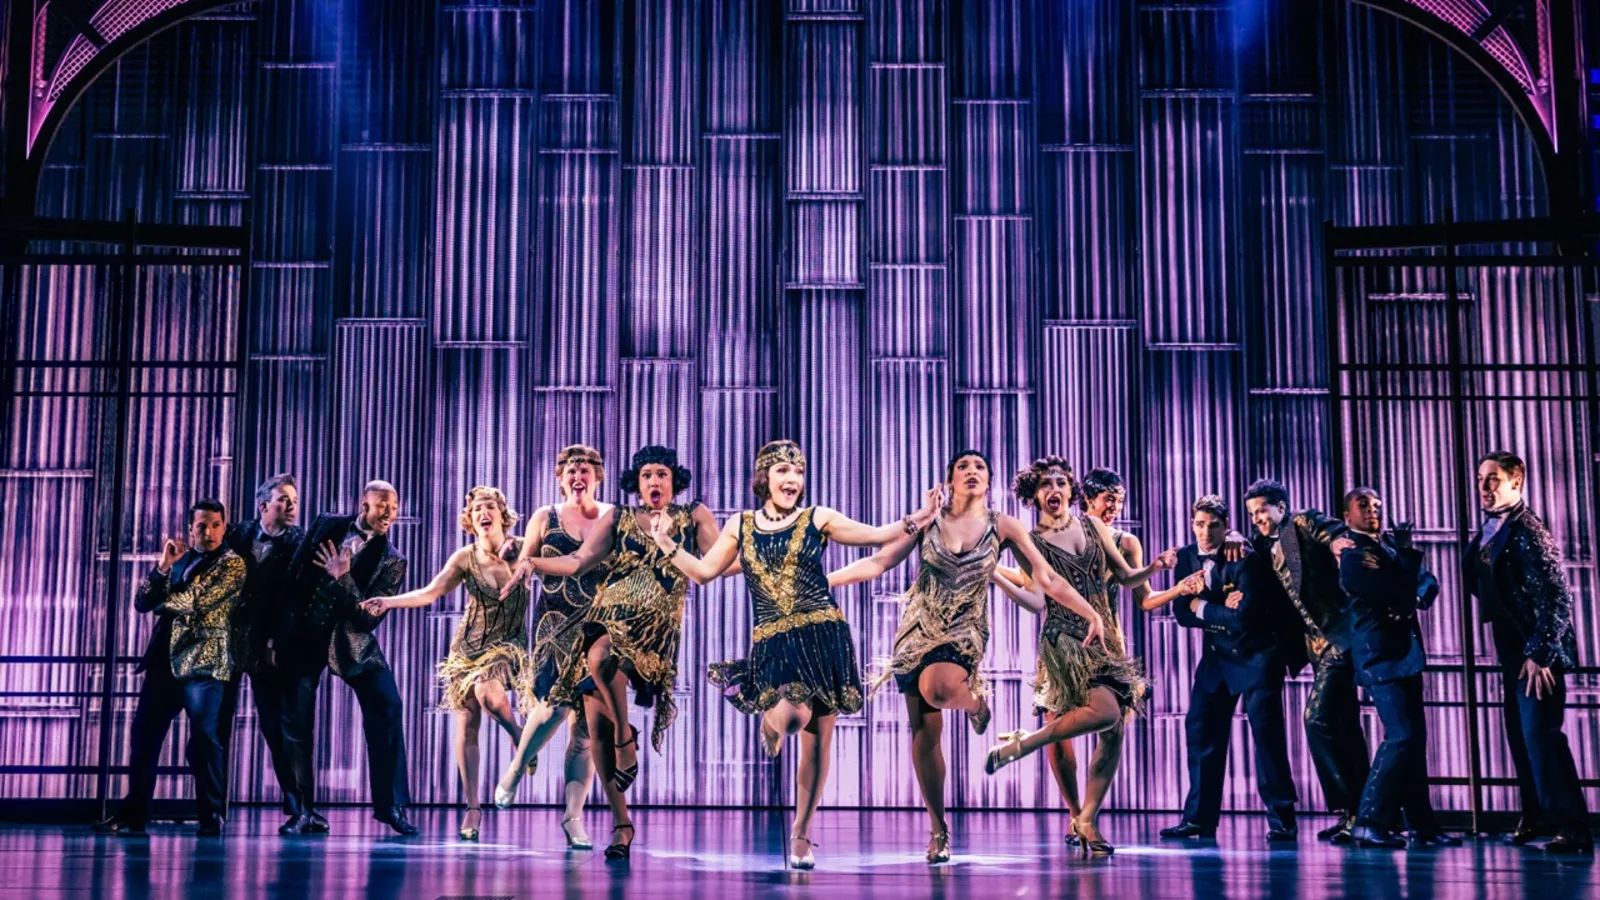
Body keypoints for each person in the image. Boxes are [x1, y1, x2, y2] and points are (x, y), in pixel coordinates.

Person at [653, 439, 940, 869]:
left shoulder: (817, 517)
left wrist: (919, 517)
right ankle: (772, 721)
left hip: (824, 635)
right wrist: (666, 544)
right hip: (774, 642)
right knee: (791, 716)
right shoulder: (741, 525)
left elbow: (876, 536)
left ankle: (801, 833)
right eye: (783, 471)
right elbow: (705, 572)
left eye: (798, 472)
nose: (792, 480)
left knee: (818, 743)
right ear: (764, 477)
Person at [834, 450, 1115, 864]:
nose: (971, 471)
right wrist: (825, 582)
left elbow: (1046, 577)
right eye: (962, 466)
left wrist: (1089, 611)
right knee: (925, 733)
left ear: (989, 481)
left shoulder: (1003, 525)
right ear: (950, 479)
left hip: (964, 631)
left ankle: (974, 703)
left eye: (979, 467)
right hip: (916, 630)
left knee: (940, 687)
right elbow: (879, 562)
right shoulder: (929, 520)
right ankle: (939, 830)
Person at [518, 445, 717, 859]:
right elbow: (578, 561)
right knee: (596, 723)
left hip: (655, 626)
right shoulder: (620, 517)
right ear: (636, 484)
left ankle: (627, 740)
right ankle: (622, 824)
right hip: (608, 613)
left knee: (601, 671)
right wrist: (531, 563)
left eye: (661, 474)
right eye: (646, 476)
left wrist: (673, 545)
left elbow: (717, 565)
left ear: (674, 481)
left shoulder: (692, 515)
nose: (654, 481)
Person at [979, 459, 1173, 856]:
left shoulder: (1093, 527)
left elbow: (1127, 578)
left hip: (1106, 640)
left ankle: (1087, 818)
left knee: (1113, 730)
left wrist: (1155, 567)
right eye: (1044, 484)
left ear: (1071, 491)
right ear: (1035, 496)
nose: (1053, 489)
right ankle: (1042, 766)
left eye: (1060, 482)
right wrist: (995, 574)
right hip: (1064, 640)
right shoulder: (1029, 542)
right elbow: (1036, 598)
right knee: (1097, 716)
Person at [362, 486, 532, 841]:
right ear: (470, 520)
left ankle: (520, 737)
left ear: (502, 514)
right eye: (477, 509)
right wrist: (389, 602)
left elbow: (559, 566)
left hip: (507, 646)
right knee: (468, 723)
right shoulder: (465, 558)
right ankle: (473, 808)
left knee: (488, 693)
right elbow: (430, 593)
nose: (483, 513)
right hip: (467, 649)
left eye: (489, 506)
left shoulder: (524, 548)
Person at [92, 499, 246, 837]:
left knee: (204, 739)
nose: (209, 532)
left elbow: (196, 602)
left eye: (216, 525)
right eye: (202, 526)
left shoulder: (233, 564)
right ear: (191, 529)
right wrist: (163, 568)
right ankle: (134, 815)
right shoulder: (181, 560)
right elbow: (141, 602)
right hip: (163, 664)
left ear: (225, 526)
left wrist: (162, 601)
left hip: (203, 664)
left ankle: (211, 815)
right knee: (144, 737)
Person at [1151, 495, 1299, 842]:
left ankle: (1282, 820)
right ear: (1192, 524)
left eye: (1214, 525)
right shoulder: (1186, 557)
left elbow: (1244, 617)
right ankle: (1198, 820)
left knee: (1267, 737)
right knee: (1201, 728)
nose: (1206, 532)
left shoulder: (1243, 555)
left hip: (1258, 655)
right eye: (1200, 524)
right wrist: (1215, 608)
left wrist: (1202, 605)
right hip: (1217, 656)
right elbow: (1182, 613)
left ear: (1226, 525)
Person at [1467, 451, 1591, 853]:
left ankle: (1572, 826)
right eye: (1481, 478)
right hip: (1511, 649)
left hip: (1536, 652)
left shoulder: (1529, 530)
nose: (1484, 487)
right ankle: (1536, 815)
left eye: (1493, 479)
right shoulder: (1490, 529)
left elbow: (1558, 597)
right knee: (1520, 736)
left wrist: (1540, 652)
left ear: (1516, 481)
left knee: (1541, 735)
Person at [278, 480, 415, 836]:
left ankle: (391, 805)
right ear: (364, 504)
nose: (389, 513)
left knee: (387, 704)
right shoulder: (327, 524)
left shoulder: (393, 560)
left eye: (394, 507)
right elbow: (293, 578)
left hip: (351, 642)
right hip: (304, 636)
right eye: (382, 505)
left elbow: (368, 618)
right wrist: (279, 635)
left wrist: (343, 578)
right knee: (296, 723)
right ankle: (302, 810)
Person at [490, 444, 610, 850]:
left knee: (586, 731)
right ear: (560, 478)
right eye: (571, 470)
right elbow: (525, 563)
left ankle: (573, 817)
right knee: (554, 707)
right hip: (554, 626)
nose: (578, 476)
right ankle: (516, 768)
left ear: (598, 476)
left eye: (586, 469)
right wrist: (516, 555)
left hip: (599, 628)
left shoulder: (612, 517)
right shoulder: (546, 516)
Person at [1336, 488, 1460, 849]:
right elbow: (1395, 591)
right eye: (1363, 505)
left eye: (1377, 505)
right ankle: (1368, 820)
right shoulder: (1353, 555)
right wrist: (1406, 578)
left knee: (1414, 741)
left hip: (1404, 654)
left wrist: (1411, 592)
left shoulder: (1387, 548)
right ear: (1347, 516)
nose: (1373, 510)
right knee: (1402, 735)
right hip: (1379, 657)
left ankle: (1422, 825)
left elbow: (1426, 581)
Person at [1242, 478, 1364, 842]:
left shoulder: (1302, 522)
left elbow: (1331, 530)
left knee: (1317, 720)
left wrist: (1339, 542)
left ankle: (1354, 809)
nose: (1258, 519)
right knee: (1344, 725)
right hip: (1315, 647)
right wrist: (1233, 535)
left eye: (1263, 510)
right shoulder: (1262, 544)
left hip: (1338, 638)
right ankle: (1359, 813)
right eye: (1252, 514)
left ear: (1281, 507)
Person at [220, 474, 304, 815]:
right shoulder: (236, 535)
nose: (292, 506)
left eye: (294, 501)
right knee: (217, 723)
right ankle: (213, 804)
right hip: (228, 640)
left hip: (269, 645)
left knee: (276, 724)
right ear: (263, 505)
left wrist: (276, 640)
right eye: (284, 500)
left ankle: (294, 798)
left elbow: (296, 600)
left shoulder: (300, 542)